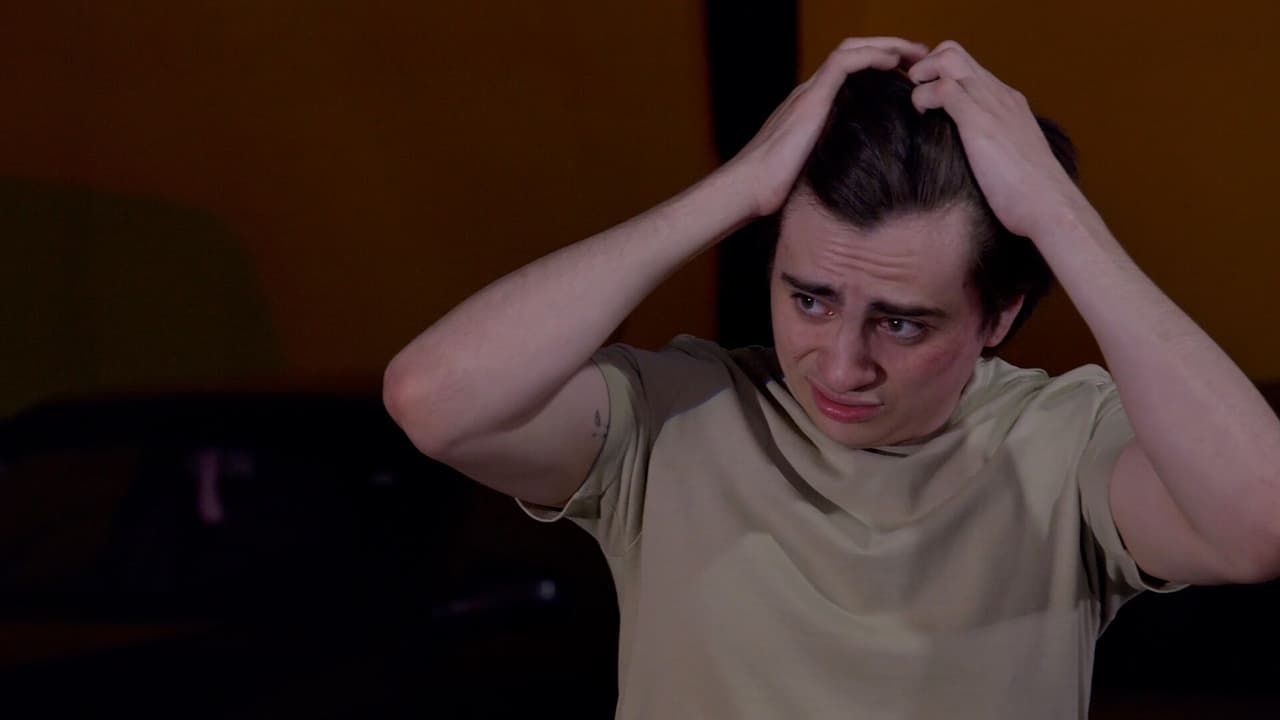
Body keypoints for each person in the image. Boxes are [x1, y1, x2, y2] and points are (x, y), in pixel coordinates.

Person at [383, 37, 1280, 719]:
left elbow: (1260, 522)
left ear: (998, 317)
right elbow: (434, 401)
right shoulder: (674, 416)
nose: (843, 365)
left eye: (901, 322)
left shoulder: (1064, 441)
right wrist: (737, 188)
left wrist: (1057, 214)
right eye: (809, 299)